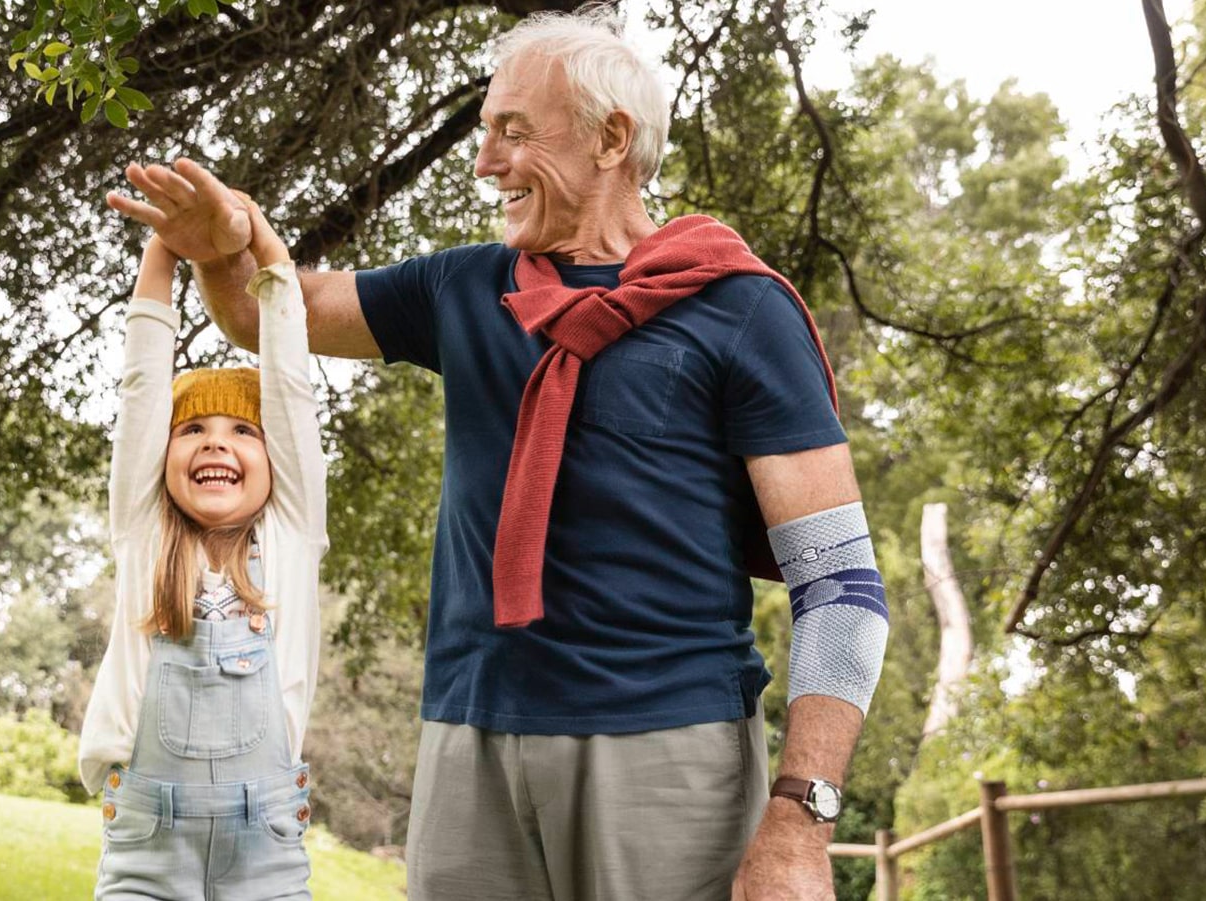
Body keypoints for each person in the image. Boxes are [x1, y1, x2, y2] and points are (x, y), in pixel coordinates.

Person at [131, 6, 888, 899]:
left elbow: (839, 583)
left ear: (612, 137)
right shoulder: (464, 287)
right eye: (486, 131)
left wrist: (801, 820)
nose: (486, 161)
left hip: (670, 753)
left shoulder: (741, 311)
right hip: (469, 740)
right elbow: (272, 312)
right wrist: (223, 253)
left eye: (513, 132)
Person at [77, 180, 327, 901]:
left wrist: (265, 252)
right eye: (193, 430)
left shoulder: (292, 533)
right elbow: (141, 388)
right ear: (163, 453)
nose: (215, 443)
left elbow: (290, 391)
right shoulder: (144, 529)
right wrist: (167, 245)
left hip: (269, 855)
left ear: (273, 458)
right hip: (145, 854)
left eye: (240, 431)